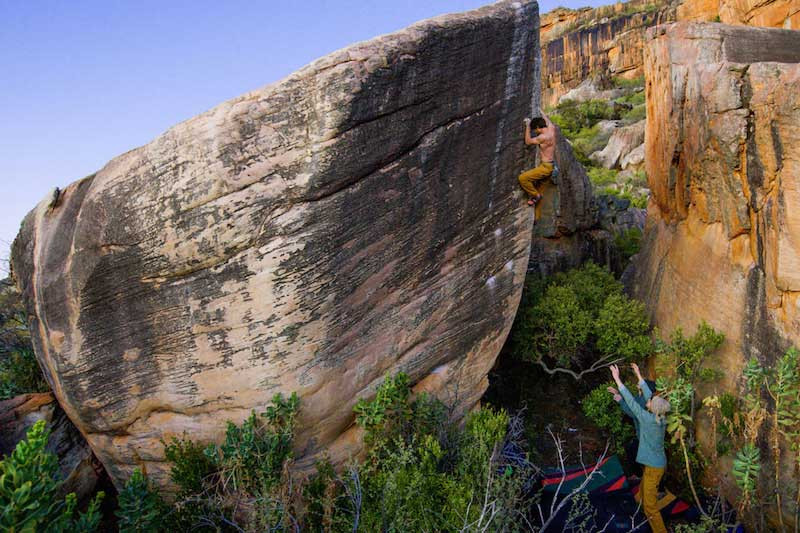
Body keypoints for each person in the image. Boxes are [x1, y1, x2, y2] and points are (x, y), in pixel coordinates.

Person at [609, 363, 672, 533]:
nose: (648, 400)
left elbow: (631, 401)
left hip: (654, 467)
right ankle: (642, 502)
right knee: (645, 487)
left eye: (649, 401)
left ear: (651, 407)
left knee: (650, 508)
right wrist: (638, 374)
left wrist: (618, 380)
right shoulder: (661, 417)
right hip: (656, 464)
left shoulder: (646, 419)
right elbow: (650, 395)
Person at [519, 115, 556, 206]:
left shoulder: (543, 137)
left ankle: (536, 195)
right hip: (549, 166)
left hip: (545, 168)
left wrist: (528, 126)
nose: (535, 132)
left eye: (535, 130)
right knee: (540, 189)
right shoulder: (551, 128)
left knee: (523, 178)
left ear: (538, 128)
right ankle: (537, 215)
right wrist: (540, 110)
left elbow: (528, 141)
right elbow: (547, 119)